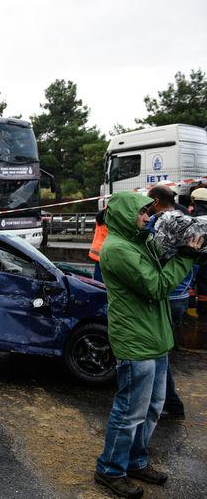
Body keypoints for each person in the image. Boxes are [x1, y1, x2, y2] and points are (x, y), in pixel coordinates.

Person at [94, 191, 202, 498]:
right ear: (125, 216)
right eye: (141, 213)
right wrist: (188, 257)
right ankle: (110, 469)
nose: (146, 217)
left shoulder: (137, 241)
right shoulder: (117, 249)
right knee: (130, 410)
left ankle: (135, 461)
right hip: (136, 340)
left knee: (153, 408)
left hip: (155, 337)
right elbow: (156, 286)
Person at [146, 184, 190, 419]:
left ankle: (169, 402)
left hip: (168, 295)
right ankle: (170, 402)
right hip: (181, 295)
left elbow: (155, 258)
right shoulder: (185, 219)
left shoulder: (163, 223)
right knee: (161, 350)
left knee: (158, 353)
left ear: (156, 201)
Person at [89, 209, 108, 282]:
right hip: (104, 250)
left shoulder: (99, 221)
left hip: (96, 250)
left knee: (98, 271)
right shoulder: (108, 224)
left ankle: (96, 285)